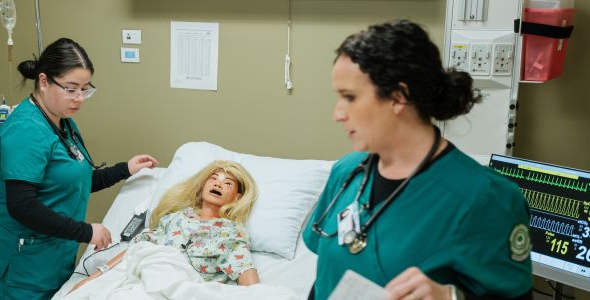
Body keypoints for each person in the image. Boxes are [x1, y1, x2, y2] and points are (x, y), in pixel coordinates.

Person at [302, 20, 533, 300]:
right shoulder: (346, 172)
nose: (338, 113)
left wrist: (450, 298)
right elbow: (325, 278)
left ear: (399, 97)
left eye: (349, 97)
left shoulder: (483, 198)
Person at [0, 37, 158, 299]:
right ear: (44, 81)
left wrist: (124, 170)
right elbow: (22, 205)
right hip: (19, 268)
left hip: (51, 260)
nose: (79, 98)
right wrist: (87, 232)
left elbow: (73, 183)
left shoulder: (62, 121)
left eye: (85, 89)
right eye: (71, 89)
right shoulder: (25, 130)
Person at [71, 160, 261, 292]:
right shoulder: (175, 220)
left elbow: (246, 274)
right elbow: (136, 251)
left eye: (227, 183)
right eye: (214, 179)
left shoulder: (229, 234)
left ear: (237, 198)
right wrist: (93, 278)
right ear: (202, 186)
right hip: (146, 281)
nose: (218, 185)